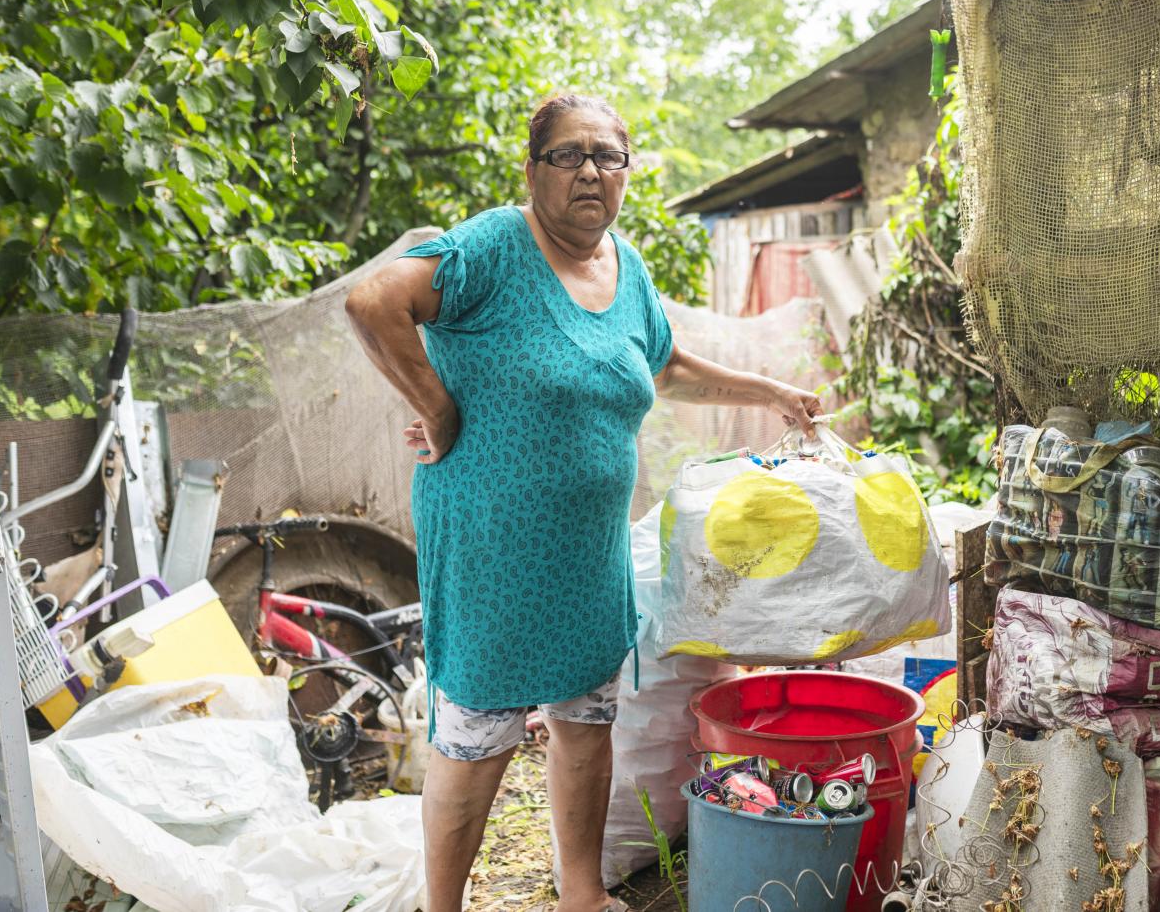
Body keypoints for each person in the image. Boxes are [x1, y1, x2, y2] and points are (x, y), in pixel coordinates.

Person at [344, 93, 821, 912]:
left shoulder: (625, 267)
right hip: (494, 551)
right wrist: (439, 404)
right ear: (533, 170)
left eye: (608, 155)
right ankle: (441, 906)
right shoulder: (495, 247)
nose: (590, 171)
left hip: (587, 550)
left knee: (586, 720)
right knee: (475, 741)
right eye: (568, 154)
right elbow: (373, 301)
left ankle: (579, 893)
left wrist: (769, 389)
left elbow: (666, 369)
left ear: (627, 173)